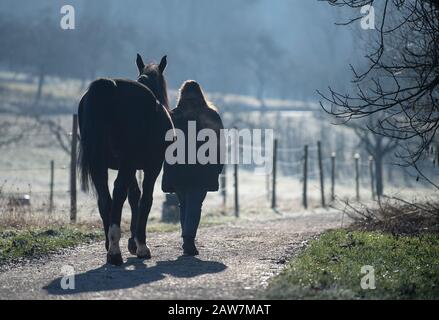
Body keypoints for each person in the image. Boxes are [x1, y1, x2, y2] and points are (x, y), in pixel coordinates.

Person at [162, 80, 224, 256]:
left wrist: (167, 168)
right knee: (195, 204)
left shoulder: (173, 116)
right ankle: (188, 239)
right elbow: (219, 144)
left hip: (178, 170)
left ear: (181, 95)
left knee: (184, 204)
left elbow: (164, 145)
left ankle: (187, 239)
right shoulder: (211, 116)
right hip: (202, 170)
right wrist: (217, 168)